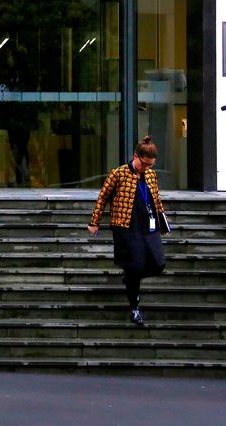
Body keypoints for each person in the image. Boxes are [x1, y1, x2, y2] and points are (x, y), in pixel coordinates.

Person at [87, 136, 169, 325]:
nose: (147, 168)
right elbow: (102, 197)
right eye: (145, 164)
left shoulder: (150, 175)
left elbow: (156, 199)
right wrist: (94, 222)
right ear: (136, 156)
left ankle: (130, 278)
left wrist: (163, 222)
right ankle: (135, 307)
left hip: (148, 224)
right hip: (126, 226)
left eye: (151, 165)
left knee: (158, 263)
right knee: (135, 266)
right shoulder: (119, 174)